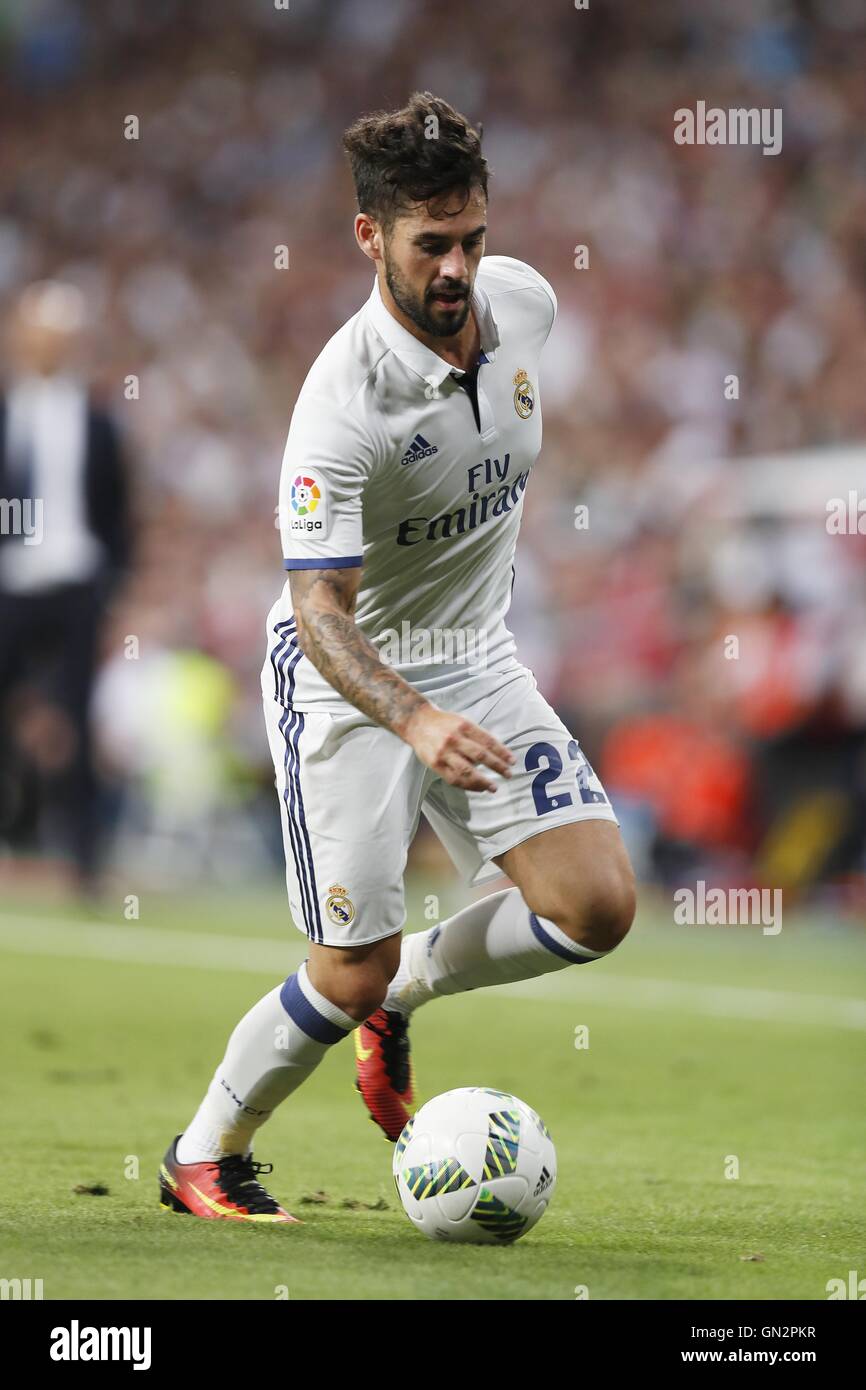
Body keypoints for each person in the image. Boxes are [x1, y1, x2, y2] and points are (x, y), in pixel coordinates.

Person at [159, 93, 636, 1223]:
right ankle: (203, 1153)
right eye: (432, 244)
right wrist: (411, 717)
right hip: (350, 679)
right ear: (368, 238)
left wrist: (448, 691)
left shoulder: (523, 303)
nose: (460, 266)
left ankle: (405, 991)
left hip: (473, 654)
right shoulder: (340, 404)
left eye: (471, 234)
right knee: (344, 970)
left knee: (594, 906)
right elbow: (317, 611)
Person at [0, 281, 130, 893]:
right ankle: (17, 833)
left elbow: (117, 510)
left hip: (77, 582)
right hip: (12, 583)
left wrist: (110, 582)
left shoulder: (97, 419)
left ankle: (84, 860)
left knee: (77, 717)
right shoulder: (9, 413)